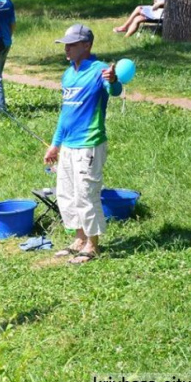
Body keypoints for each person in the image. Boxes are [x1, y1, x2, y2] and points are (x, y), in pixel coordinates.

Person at [44, 24, 122, 265]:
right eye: (65, 44)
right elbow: (65, 114)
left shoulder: (99, 71)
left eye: (72, 44)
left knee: (86, 194)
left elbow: (114, 89)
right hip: (67, 144)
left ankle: (92, 245)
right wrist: (55, 145)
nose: (66, 48)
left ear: (86, 46)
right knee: (66, 193)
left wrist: (114, 80)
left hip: (89, 143)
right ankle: (79, 238)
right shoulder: (68, 74)